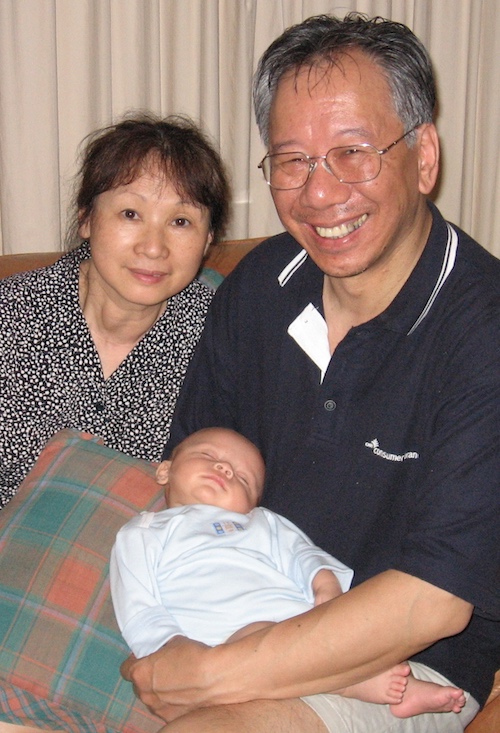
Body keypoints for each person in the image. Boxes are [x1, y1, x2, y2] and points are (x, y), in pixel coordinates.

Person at [120, 11, 500, 733]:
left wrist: (205, 672)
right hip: (239, 606)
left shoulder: (483, 328)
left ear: (424, 156)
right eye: (291, 160)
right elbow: (190, 491)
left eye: (354, 151)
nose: (320, 194)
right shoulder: (261, 285)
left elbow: (434, 600)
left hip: (405, 662)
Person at [111, 427, 465, 722]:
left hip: (301, 625)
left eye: (243, 478)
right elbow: (140, 607)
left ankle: (384, 683)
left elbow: (302, 554)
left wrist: (323, 582)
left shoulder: (261, 523)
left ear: (252, 504)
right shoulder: (142, 532)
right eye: (207, 456)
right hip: (221, 644)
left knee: (347, 634)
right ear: (164, 471)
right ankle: (351, 683)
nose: (225, 469)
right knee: (257, 638)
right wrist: (171, 649)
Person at [0, 113, 230, 509]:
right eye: (130, 214)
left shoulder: (223, 336)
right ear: (86, 218)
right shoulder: (11, 315)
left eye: (180, 221)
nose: (153, 247)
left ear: (208, 239)